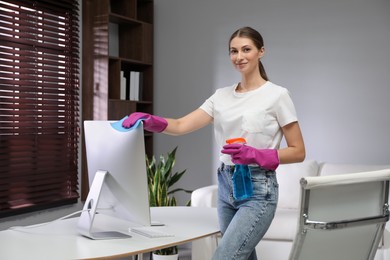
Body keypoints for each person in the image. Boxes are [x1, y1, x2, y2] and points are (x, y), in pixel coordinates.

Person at [122, 26, 305, 260]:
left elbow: (298, 151)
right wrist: (149, 120)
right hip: (226, 184)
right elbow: (180, 125)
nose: (239, 57)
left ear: (261, 51)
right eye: (233, 51)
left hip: (259, 189)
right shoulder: (221, 96)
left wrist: (257, 155)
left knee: (225, 256)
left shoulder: (277, 95)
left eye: (246, 49)